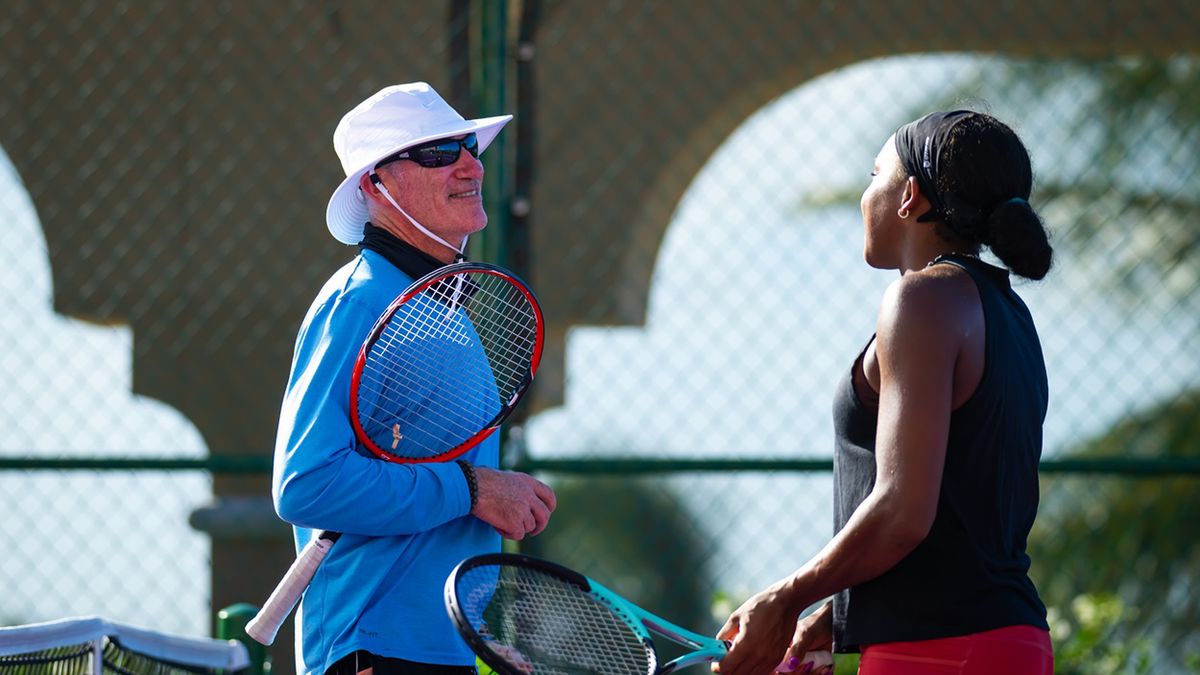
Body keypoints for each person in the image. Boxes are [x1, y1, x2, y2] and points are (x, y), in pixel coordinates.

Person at [713, 110, 1055, 675]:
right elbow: (959, 515)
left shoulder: (920, 301)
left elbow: (902, 511)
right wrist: (840, 617)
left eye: (875, 175)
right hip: (1005, 639)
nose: (864, 194)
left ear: (910, 197)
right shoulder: (1007, 312)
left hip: (944, 650)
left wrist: (784, 599)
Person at [271, 82, 557, 675]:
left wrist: (476, 637)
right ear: (375, 185)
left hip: (437, 649)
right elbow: (305, 486)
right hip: (373, 651)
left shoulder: (435, 304)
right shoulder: (358, 302)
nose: (468, 164)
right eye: (435, 152)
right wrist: (476, 491)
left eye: (468, 147)